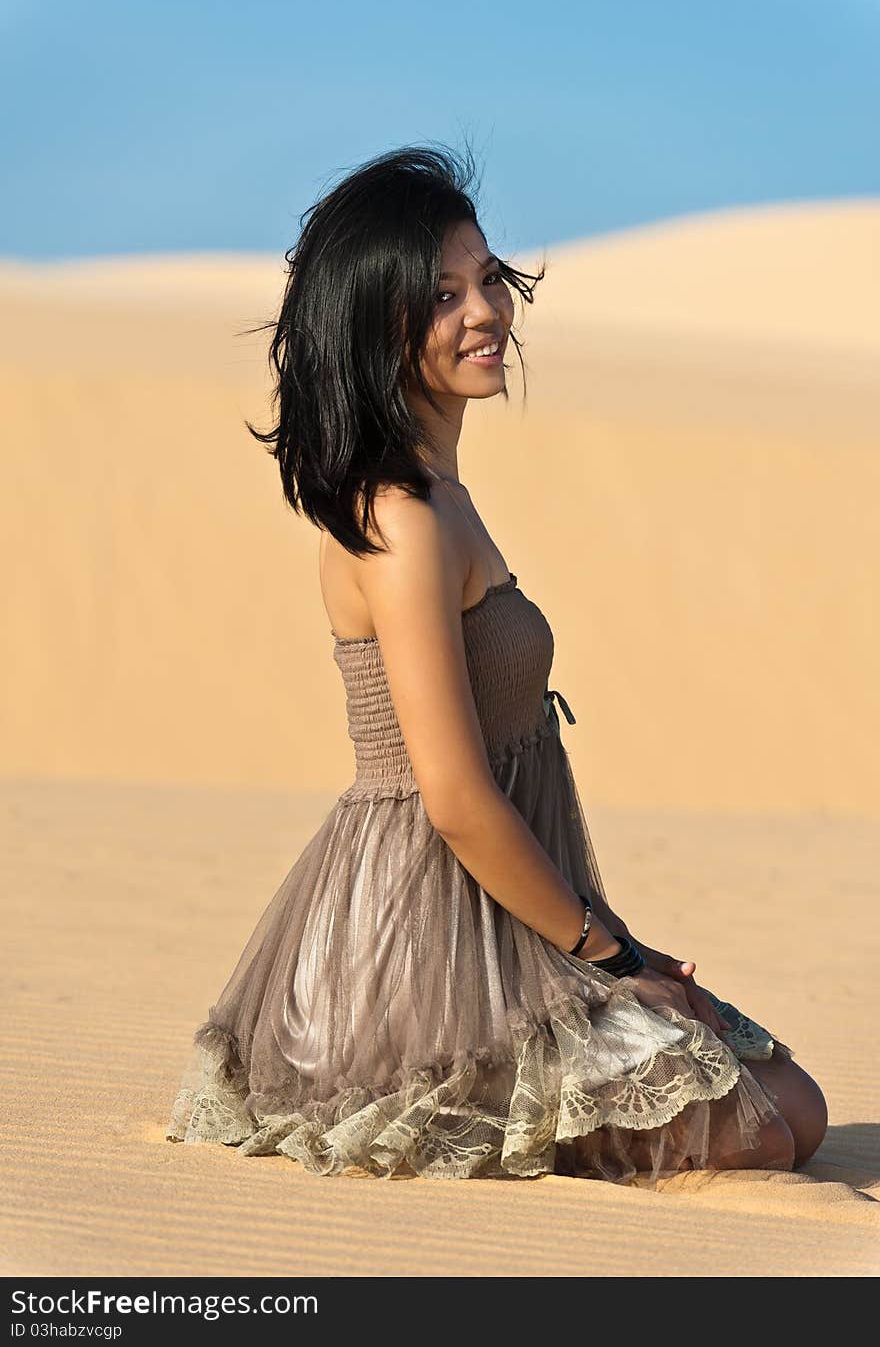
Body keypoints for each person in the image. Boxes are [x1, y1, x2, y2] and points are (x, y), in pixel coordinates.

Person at [166, 143, 828, 1183]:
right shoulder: (399, 520)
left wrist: (628, 950)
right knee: (756, 1137)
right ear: (372, 324)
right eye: (439, 294)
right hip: (417, 962)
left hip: (508, 930)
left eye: (486, 280)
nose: (483, 313)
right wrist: (610, 961)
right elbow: (458, 798)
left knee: (792, 1105)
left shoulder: (443, 498)